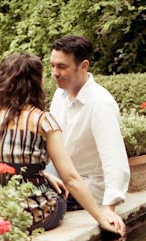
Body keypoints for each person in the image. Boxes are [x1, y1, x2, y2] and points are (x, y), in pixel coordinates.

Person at [0, 53, 125, 236]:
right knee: (61, 195)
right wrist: (102, 218)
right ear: (36, 82)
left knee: (53, 181)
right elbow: (71, 178)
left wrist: (42, 176)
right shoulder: (43, 120)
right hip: (33, 213)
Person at [47, 35, 130, 217]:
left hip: (86, 189)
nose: (55, 72)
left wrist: (109, 207)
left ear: (84, 66)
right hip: (62, 177)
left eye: (62, 67)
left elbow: (114, 158)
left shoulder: (100, 103)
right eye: (52, 65)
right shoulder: (59, 96)